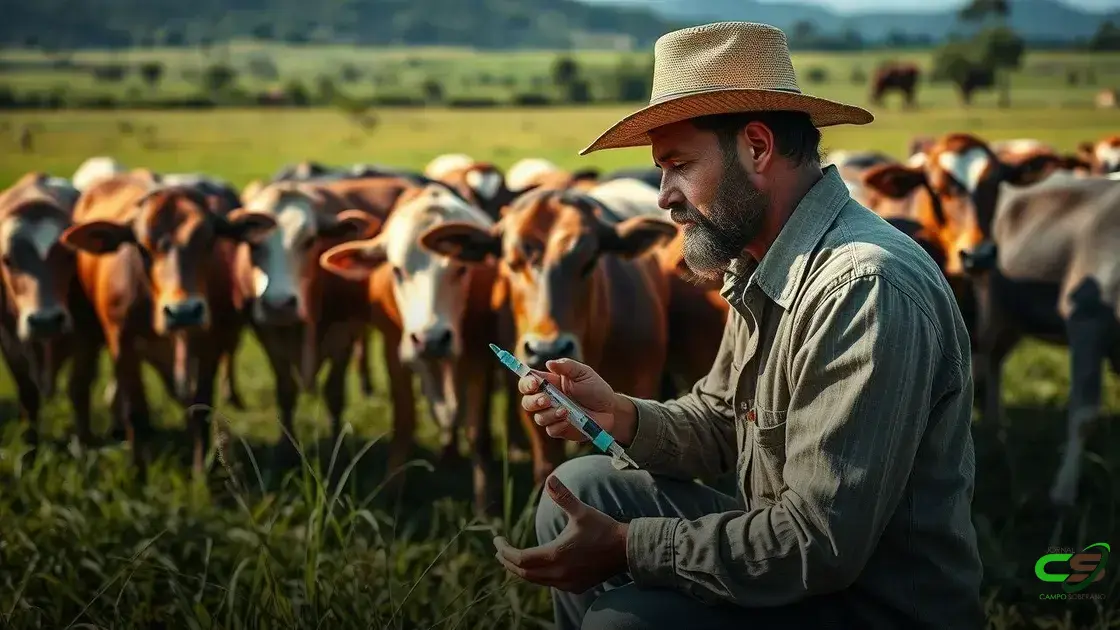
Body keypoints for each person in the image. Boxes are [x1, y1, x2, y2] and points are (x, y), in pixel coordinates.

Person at [490, 21, 984, 630]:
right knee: (579, 490)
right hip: (810, 572)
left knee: (624, 622)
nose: (664, 196)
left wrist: (629, 548)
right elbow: (722, 419)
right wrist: (617, 413)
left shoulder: (862, 290)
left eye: (678, 164)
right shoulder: (762, 262)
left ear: (756, 148)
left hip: (868, 605)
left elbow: (819, 544)